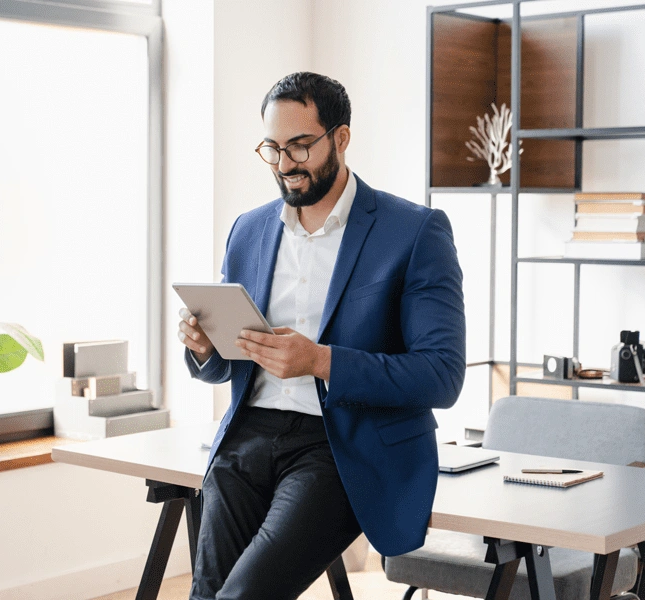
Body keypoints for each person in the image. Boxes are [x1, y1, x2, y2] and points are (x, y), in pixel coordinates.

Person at [177, 72, 466, 600]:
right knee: (207, 595)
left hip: (340, 447)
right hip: (247, 436)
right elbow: (229, 361)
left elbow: (441, 375)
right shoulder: (249, 228)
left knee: (242, 596)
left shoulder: (415, 232)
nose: (285, 164)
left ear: (341, 138)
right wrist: (204, 347)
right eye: (273, 148)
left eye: (300, 145)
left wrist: (321, 361)